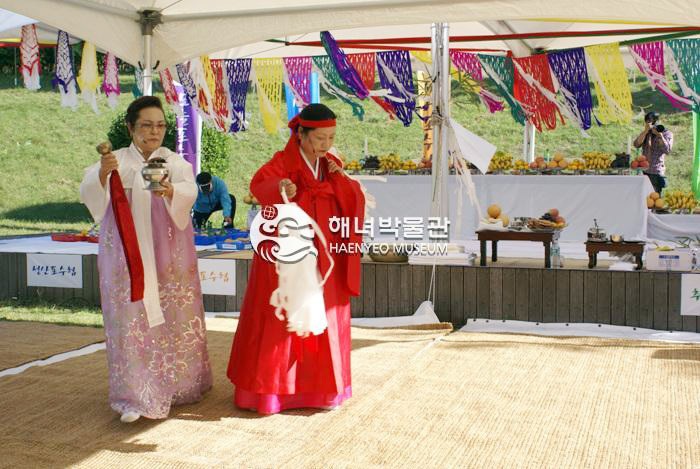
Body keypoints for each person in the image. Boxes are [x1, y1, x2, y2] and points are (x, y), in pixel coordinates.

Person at [80, 96, 212, 423]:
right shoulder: (117, 160)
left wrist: (171, 192)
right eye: (146, 125)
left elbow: (189, 193)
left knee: (175, 313)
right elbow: (89, 193)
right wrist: (103, 175)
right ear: (131, 127)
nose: (154, 131)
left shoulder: (174, 162)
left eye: (160, 125)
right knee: (130, 317)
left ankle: (180, 384)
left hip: (168, 251)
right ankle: (134, 395)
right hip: (126, 252)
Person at [227, 103, 365, 415]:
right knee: (280, 320)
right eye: (320, 139)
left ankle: (321, 390)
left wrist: (342, 183)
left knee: (325, 316)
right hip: (289, 253)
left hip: (325, 250)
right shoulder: (282, 162)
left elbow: (352, 197)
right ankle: (271, 393)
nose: (326, 145)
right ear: (301, 134)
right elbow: (259, 185)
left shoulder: (331, 165)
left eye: (331, 138)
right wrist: (280, 188)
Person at [633, 111, 674, 194]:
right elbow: (636, 144)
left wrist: (660, 136)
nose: (651, 124)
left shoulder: (666, 133)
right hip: (644, 169)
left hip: (656, 170)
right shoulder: (646, 133)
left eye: (652, 122)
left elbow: (667, 150)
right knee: (644, 196)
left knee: (655, 197)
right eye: (648, 122)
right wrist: (645, 132)